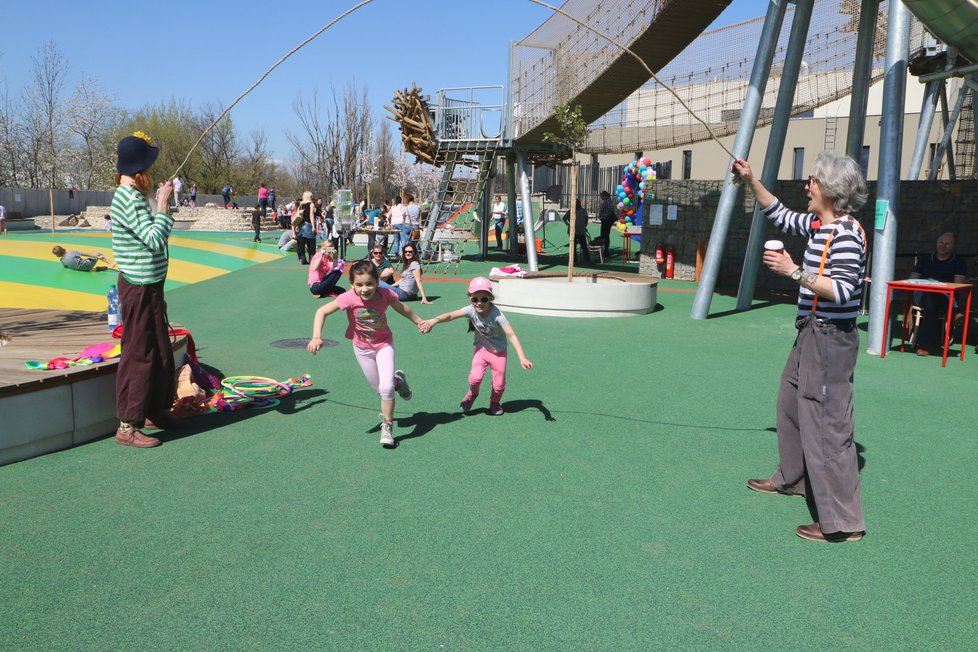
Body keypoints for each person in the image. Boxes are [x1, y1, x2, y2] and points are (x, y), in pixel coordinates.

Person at [732, 151, 867, 543]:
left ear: (828, 189)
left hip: (830, 338)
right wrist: (749, 178)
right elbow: (778, 213)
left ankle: (844, 524)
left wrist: (793, 271)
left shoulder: (844, 234)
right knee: (789, 404)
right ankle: (793, 479)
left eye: (812, 181)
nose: (806, 186)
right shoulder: (817, 225)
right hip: (810, 332)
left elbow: (843, 292)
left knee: (829, 426)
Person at [110, 131, 187, 448]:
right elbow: (155, 239)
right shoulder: (127, 199)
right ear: (140, 171)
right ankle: (128, 425)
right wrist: (163, 204)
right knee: (140, 354)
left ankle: (156, 409)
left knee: (158, 350)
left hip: (150, 286)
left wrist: (157, 205)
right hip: (139, 288)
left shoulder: (133, 197)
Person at [307, 260, 424, 447]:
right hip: (362, 348)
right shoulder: (348, 298)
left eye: (369, 283)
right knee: (380, 389)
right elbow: (322, 311)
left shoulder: (385, 294)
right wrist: (316, 336)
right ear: (352, 284)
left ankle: (387, 426)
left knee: (386, 389)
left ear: (377, 281)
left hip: (384, 344)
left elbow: (403, 308)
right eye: (359, 284)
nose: (364, 289)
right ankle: (399, 382)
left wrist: (419, 321)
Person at [419, 276, 533, 416]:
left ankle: (494, 403)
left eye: (484, 299)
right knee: (475, 378)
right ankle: (472, 394)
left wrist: (522, 357)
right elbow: (450, 316)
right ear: (470, 299)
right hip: (482, 349)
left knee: (499, 385)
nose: (479, 303)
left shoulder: (497, 315)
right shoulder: (470, 310)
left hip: (499, 352)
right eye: (475, 299)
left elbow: (511, 334)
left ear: (490, 299)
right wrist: (433, 321)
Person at [910, 231, 968, 356]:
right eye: (941, 242)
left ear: (953, 246)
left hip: (946, 296)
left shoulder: (959, 262)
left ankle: (925, 344)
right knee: (930, 297)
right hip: (922, 294)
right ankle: (955, 313)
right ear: (936, 243)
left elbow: (958, 286)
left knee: (933, 299)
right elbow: (912, 279)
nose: (943, 245)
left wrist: (939, 285)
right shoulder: (924, 259)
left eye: (947, 244)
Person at [563, 199, 592, 263]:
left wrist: (568, 225)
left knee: (574, 246)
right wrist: (584, 226)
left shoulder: (571, 211)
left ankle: (574, 260)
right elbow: (586, 220)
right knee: (583, 246)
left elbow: (564, 218)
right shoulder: (583, 211)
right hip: (580, 230)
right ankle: (586, 260)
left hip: (575, 231)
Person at [293, 191, 317, 264]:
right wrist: (313, 226)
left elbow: (297, 215)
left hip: (301, 225)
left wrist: (296, 225)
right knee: (311, 243)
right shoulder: (311, 204)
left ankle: (302, 258)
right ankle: (312, 258)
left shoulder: (300, 204)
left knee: (301, 244)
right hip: (308, 224)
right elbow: (311, 215)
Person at [596, 190, 617, 256]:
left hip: (607, 220)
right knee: (603, 235)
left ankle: (606, 250)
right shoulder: (606, 201)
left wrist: (604, 215)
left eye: (602, 196)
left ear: (605, 196)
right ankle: (604, 250)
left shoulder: (608, 201)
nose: (601, 197)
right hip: (604, 220)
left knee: (605, 235)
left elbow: (610, 210)